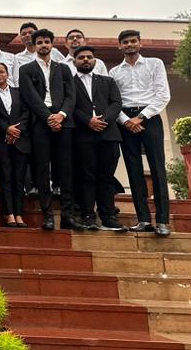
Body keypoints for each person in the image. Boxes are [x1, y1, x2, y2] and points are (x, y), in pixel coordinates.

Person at [18, 29, 83, 230]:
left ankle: (67, 215)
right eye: (40, 42)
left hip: (64, 122)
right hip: (40, 122)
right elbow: (30, 97)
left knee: (65, 168)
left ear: (52, 44)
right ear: (34, 45)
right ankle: (47, 215)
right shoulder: (26, 69)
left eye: (47, 42)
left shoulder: (63, 69)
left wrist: (61, 115)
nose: (43, 45)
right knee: (42, 168)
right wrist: (48, 117)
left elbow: (71, 96)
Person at [110, 30, 172, 237]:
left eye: (133, 41)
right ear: (119, 46)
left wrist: (141, 117)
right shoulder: (114, 72)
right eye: (125, 42)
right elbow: (114, 101)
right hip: (125, 121)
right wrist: (126, 120)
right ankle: (143, 219)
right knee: (133, 170)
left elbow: (163, 95)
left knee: (157, 168)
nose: (129, 44)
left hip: (150, 116)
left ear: (140, 43)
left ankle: (162, 221)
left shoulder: (155, 64)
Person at [71, 45, 125, 230]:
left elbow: (116, 103)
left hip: (108, 135)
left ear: (94, 60)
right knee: (86, 176)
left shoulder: (107, 81)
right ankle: (88, 215)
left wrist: (104, 120)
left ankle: (108, 216)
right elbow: (70, 107)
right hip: (83, 136)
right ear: (74, 61)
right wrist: (88, 121)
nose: (85, 60)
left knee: (106, 177)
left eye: (89, 57)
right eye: (81, 57)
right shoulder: (69, 83)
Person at [0, 61, 30, 228]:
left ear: (7, 74)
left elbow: (27, 112)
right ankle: (9, 214)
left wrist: (17, 130)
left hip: (20, 140)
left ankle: (19, 214)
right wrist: (6, 129)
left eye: (2, 72)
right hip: (1, 141)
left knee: (19, 179)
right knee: (5, 178)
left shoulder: (19, 92)